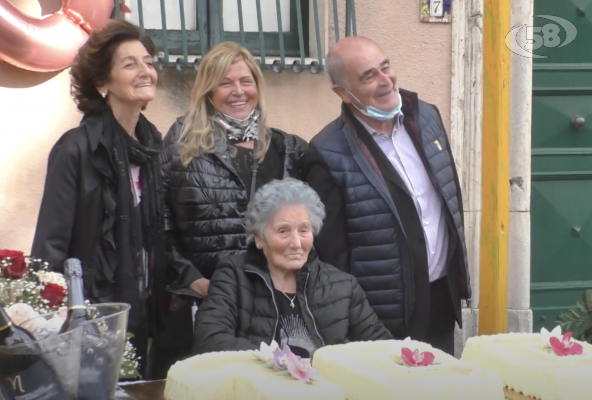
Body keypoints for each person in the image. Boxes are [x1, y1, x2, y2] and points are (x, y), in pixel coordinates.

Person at [303, 36, 470, 355]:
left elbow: (449, 202)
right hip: (380, 317)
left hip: (440, 301)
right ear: (342, 92)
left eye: (386, 67)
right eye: (369, 76)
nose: (385, 80)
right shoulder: (326, 152)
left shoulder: (427, 119)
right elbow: (332, 256)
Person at [156, 41, 308, 374]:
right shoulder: (182, 141)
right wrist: (188, 277)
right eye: (225, 83)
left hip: (270, 301)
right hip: (205, 299)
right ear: (209, 90)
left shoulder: (286, 148)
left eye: (246, 81)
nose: (238, 91)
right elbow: (158, 220)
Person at [31, 20, 167, 376]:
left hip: (142, 313)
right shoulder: (76, 150)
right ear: (102, 82)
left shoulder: (153, 147)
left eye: (148, 62)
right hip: (89, 319)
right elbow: (49, 248)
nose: (145, 71)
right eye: (130, 64)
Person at [192, 178, 393, 356]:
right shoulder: (233, 276)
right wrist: (278, 363)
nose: (296, 242)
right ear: (259, 239)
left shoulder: (344, 285)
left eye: (303, 230)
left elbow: (383, 348)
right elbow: (210, 340)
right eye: (283, 231)